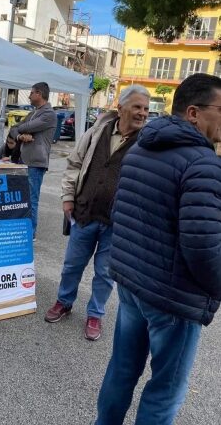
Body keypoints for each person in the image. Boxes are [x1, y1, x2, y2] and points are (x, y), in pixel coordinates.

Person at [94, 73, 221, 425]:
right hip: (172, 297)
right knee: (165, 391)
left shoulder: (140, 147)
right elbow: (203, 246)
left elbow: (120, 210)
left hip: (134, 284)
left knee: (122, 369)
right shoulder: (203, 164)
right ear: (193, 113)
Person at [44, 85, 150, 341]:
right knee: (72, 265)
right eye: (137, 107)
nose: (142, 113)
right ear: (121, 107)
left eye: (146, 109)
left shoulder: (147, 143)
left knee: (104, 273)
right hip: (84, 213)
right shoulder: (96, 132)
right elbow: (74, 164)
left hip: (119, 223)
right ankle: (64, 301)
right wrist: (68, 198)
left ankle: (95, 314)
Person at [8, 82, 57, 241]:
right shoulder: (34, 112)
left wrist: (22, 129)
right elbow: (14, 128)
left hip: (36, 163)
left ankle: (30, 234)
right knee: (22, 198)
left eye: (31, 93)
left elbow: (26, 126)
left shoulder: (49, 114)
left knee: (31, 199)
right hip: (24, 160)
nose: (29, 96)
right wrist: (20, 137)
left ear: (39, 94)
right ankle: (22, 229)